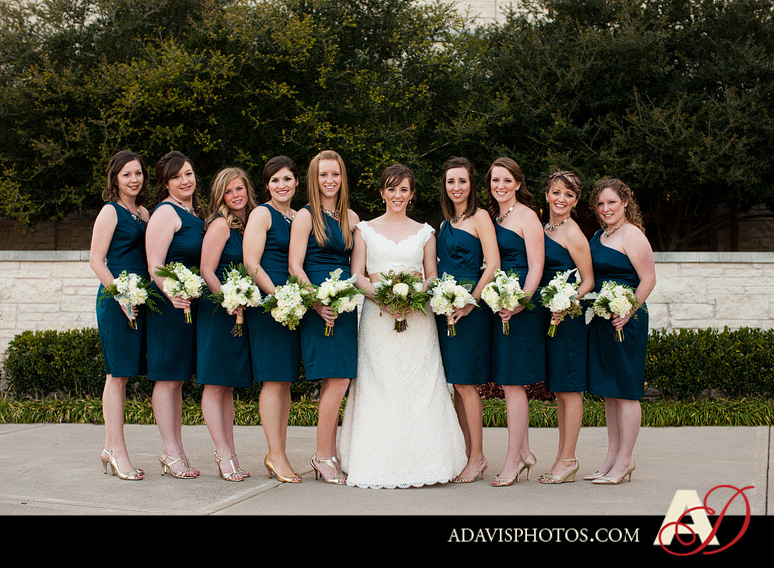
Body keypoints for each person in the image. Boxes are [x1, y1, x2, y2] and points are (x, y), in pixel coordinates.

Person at [337, 164, 467, 488]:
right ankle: (375, 460)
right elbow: (357, 275)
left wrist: (414, 297)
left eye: (404, 190)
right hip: (377, 317)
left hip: (418, 317)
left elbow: (432, 275)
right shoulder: (364, 230)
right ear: (382, 192)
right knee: (379, 384)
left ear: (412, 195)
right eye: (392, 189)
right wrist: (383, 298)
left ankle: (430, 461)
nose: (398, 195)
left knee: (420, 385)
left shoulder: (425, 232)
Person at [288, 150, 360, 484]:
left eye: (335, 174)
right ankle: (322, 455)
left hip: (345, 306)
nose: (329, 181)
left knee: (341, 380)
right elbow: (295, 265)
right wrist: (316, 301)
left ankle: (328, 454)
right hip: (319, 305)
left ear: (342, 178)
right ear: (314, 179)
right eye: (323, 175)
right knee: (335, 379)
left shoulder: (352, 218)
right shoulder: (306, 216)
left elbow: (359, 266)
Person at [585, 178, 656, 484]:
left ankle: (625, 460)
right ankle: (611, 459)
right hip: (604, 319)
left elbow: (648, 279)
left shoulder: (632, 234)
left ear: (625, 202)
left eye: (612, 202)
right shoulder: (599, 235)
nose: (606, 208)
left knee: (625, 391)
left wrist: (628, 310)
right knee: (609, 392)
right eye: (600, 203)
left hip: (627, 321)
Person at [435, 156, 500, 483]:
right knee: (456, 383)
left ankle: (478, 457)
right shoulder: (445, 224)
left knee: (466, 383)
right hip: (446, 308)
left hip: (470, 308)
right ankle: (465, 452)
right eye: (451, 181)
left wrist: (470, 302)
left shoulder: (480, 217)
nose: (456, 187)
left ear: (471, 184)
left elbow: (493, 264)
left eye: (462, 181)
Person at [89, 150, 150, 481]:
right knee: (116, 374)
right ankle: (117, 451)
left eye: (138, 173)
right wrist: (121, 296)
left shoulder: (143, 212)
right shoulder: (110, 211)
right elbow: (96, 260)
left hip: (140, 300)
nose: (134, 179)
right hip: (117, 300)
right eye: (127, 174)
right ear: (115, 179)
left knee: (124, 375)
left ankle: (109, 448)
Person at [484, 157, 545, 486]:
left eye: (507, 180)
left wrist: (521, 302)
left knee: (512, 382)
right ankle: (523, 452)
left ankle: (512, 461)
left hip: (520, 305)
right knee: (508, 380)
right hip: (498, 304)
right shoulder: (492, 216)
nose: (501, 186)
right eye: (495, 180)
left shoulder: (527, 216)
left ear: (518, 183)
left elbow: (536, 266)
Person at [145, 151, 205, 479]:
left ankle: (176, 450)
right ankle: (170, 452)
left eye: (188, 173)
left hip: (188, 305)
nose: (185, 180)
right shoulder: (166, 213)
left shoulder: (195, 212)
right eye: (176, 176)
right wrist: (173, 293)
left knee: (178, 379)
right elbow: (155, 265)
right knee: (167, 378)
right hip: (170, 306)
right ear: (166, 183)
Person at [243, 156, 303, 483]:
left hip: (293, 305)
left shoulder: (299, 216)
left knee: (285, 380)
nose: (282, 185)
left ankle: (279, 452)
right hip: (270, 304)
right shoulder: (262, 214)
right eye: (275, 180)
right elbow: (251, 264)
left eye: (287, 179)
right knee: (273, 379)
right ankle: (275, 455)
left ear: (296, 182)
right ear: (267, 185)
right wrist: (278, 296)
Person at [197, 167, 256, 482]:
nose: (235, 195)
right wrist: (228, 300)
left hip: (240, 310)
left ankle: (231, 452)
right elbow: (207, 270)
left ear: (247, 190)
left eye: (239, 189)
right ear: (221, 196)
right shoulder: (221, 225)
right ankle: (222, 453)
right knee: (215, 383)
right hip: (219, 311)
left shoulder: (250, 224)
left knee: (228, 385)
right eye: (228, 191)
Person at [537, 171, 594, 484]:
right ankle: (562, 457)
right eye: (557, 192)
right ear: (547, 194)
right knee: (559, 389)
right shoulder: (543, 228)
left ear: (575, 201)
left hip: (567, 317)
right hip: (549, 315)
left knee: (570, 388)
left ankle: (568, 459)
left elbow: (588, 280)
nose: (561, 199)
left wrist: (566, 301)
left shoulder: (573, 233)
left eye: (569, 195)